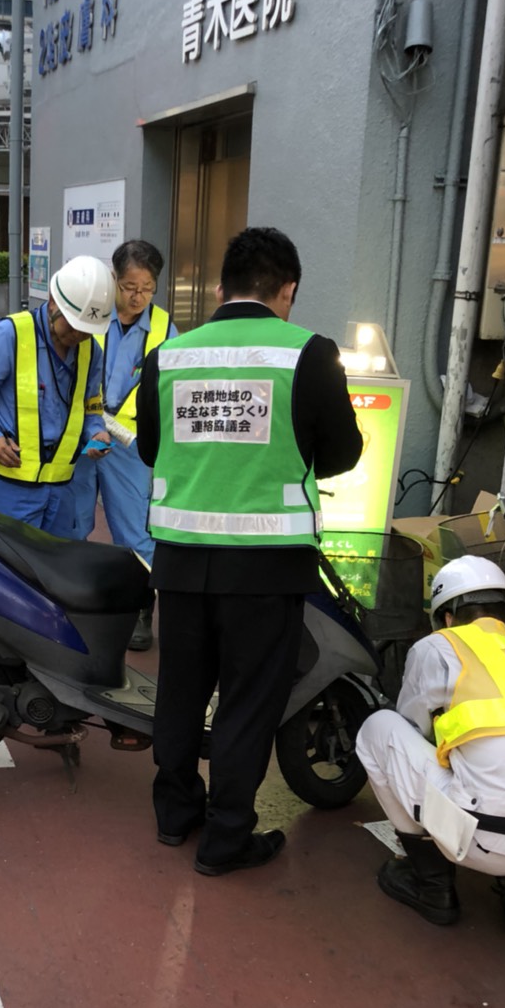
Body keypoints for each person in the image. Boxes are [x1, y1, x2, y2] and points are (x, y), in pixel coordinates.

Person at [137, 226, 362, 877]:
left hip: (180, 559)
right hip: (266, 566)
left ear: (219, 288)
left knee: (179, 690)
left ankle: (176, 815)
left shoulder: (170, 356)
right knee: (246, 701)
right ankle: (226, 837)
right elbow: (343, 454)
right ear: (286, 290)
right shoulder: (309, 354)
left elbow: (152, 448)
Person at [355, 556, 505, 937]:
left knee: (379, 729)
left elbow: (413, 729)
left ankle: (432, 886)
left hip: (484, 841)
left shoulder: (439, 646)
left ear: (447, 617)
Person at [0, 255, 113, 535]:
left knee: (53, 571)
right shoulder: (9, 336)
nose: (78, 336)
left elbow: (90, 406)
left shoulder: (90, 351)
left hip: (61, 488)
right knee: (6, 570)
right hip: (9, 486)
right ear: (53, 303)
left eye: (87, 331)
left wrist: (96, 432)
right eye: (73, 326)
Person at [69, 240, 178, 651]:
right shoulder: (92, 312)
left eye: (147, 288)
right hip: (81, 433)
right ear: (114, 278)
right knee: (72, 523)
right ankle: (71, 602)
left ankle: (139, 609)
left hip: (130, 446)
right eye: (129, 286)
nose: (137, 297)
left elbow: (170, 394)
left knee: (135, 532)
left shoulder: (167, 331)